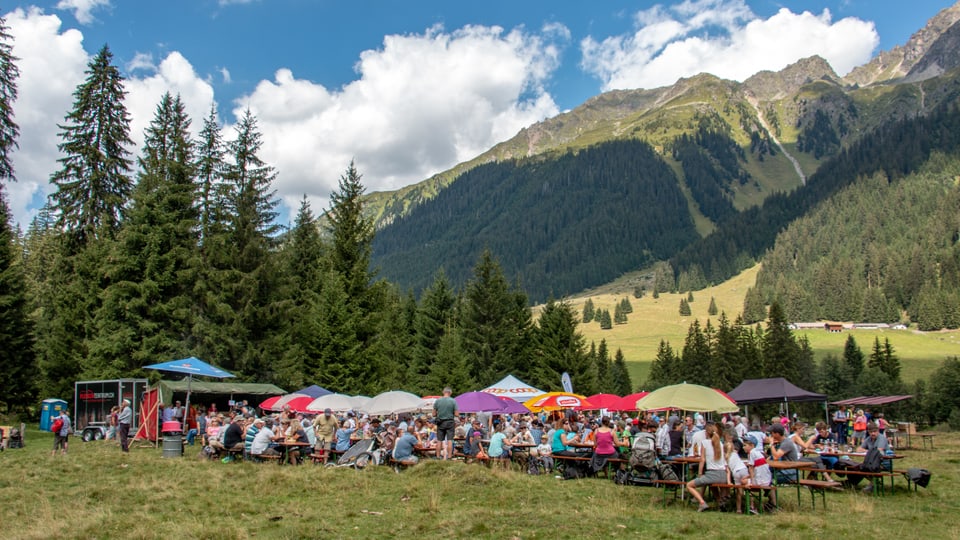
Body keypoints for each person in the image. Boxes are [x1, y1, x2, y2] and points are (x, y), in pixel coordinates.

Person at [685, 423, 726, 512]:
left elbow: (702, 459)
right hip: (723, 474)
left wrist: (700, 473)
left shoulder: (705, 443)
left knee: (689, 485)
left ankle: (702, 502)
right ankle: (720, 502)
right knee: (711, 485)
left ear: (707, 433)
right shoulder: (720, 444)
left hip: (712, 473)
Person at [742, 435, 774, 514]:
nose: (743, 447)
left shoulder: (752, 453)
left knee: (745, 483)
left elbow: (751, 469)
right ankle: (768, 505)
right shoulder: (758, 452)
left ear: (752, 445)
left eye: (745, 445)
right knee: (746, 480)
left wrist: (751, 481)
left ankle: (752, 506)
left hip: (760, 480)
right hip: (767, 479)